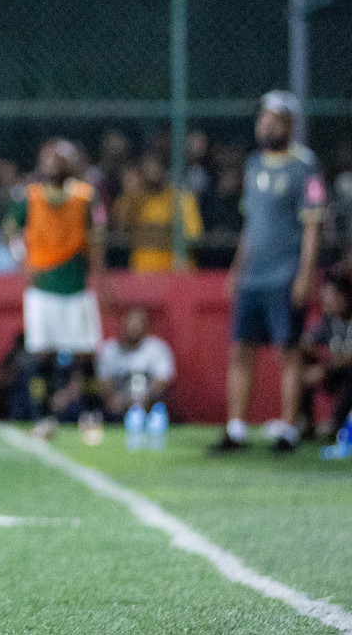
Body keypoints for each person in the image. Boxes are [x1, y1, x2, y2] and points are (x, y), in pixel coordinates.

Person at [214, 92, 325, 454]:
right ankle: (236, 428)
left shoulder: (305, 166)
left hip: (284, 274)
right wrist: (236, 268)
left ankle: (287, 430)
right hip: (252, 276)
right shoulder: (254, 164)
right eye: (263, 118)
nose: (265, 125)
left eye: (273, 119)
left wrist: (305, 274)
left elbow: (312, 226)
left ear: (289, 124)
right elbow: (251, 223)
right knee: (240, 350)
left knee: (287, 351)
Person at [3, 139, 106, 427]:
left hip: (76, 285)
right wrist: (22, 260)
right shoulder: (30, 196)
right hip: (42, 286)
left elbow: (97, 240)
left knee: (85, 354)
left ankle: (90, 413)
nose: (56, 163)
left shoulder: (86, 197)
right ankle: (43, 416)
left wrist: (103, 281)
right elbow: (10, 230)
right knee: (41, 354)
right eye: (51, 157)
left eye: (62, 158)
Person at [112, 150, 202, 272]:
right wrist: (129, 192)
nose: (152, 171)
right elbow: (119, 229)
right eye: (147, 168)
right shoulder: (133, 200)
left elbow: (194, 236)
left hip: (175, 273)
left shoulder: (181, 199)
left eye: (156, 166)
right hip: (143, 273)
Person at [298, 270, 352, 440]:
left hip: (347, 373)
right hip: (334, 370)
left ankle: (336, 424)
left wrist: (324, 368)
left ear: (346, 296)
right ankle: (305, 422)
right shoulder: (328, 322)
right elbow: (306, 341)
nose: (328, 301)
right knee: (298, 364)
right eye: (325, 296)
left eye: (333, 296)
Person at [95, 306, 175, 421]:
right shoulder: (109, 350)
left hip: (149, 402)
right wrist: (115, 398)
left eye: (137, 325)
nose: (133, 328)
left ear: (145, 328)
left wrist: (142, 398)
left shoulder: (157, 349)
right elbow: (104, 382)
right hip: (117, 403)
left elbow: (161, 381)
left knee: (158, 405)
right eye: (130, 324)